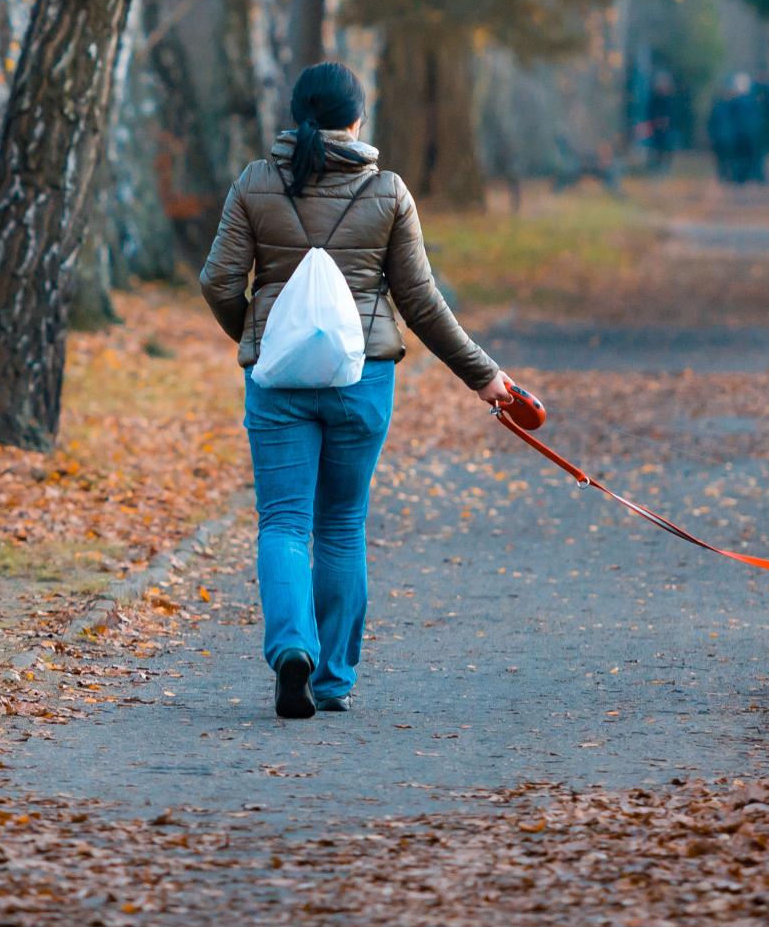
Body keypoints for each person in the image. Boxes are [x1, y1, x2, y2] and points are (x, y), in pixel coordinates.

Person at [198, 62, 526, 719]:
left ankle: (294, 647)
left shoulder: (257, 182)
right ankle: (333, 680)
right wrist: (485, 376)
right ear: (357, 119)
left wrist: (258, 337)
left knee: (284, 522)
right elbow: (422, 304)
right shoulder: (388, 191)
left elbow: (218, 280)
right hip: (362, 379)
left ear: (296, 117)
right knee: (342, 525)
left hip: (278, 381)